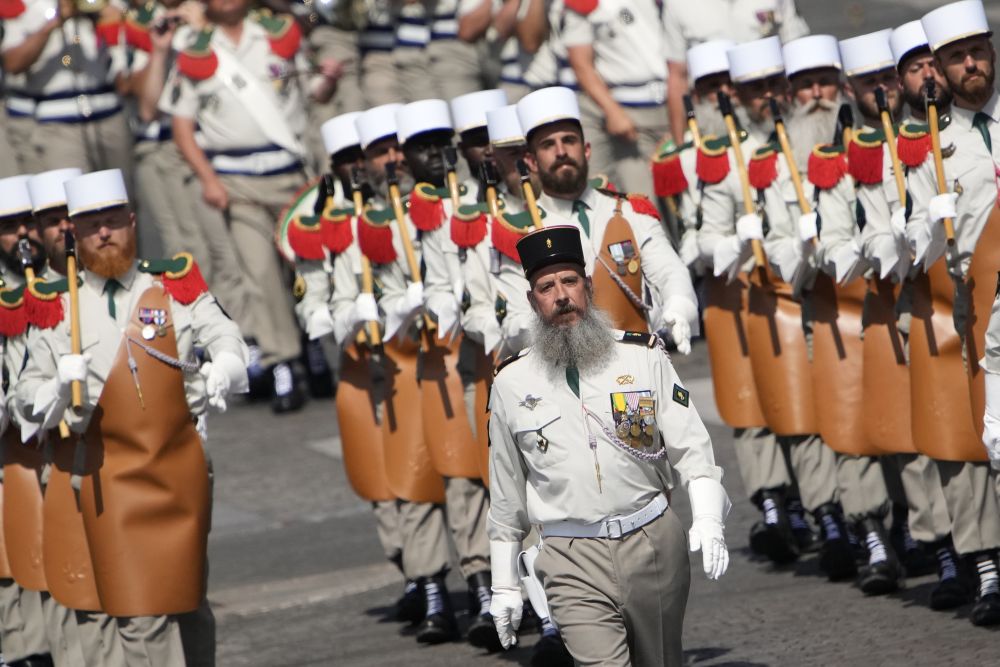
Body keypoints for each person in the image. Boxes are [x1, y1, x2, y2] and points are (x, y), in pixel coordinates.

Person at [17, 167, 249, 664]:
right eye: (91, 223)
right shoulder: (57, 306)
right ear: (73, 233)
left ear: (132, 221)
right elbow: (26, 396)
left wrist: (224, 367)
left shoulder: (171, 284)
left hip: (178, 466)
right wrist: (57, 386)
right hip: (107, 472)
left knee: (187, 602)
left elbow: (225, 334)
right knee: (141, 611)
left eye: (113, 220)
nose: (104, 232)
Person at [487, 223, 730, 667]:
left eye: (569, 281)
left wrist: (709, 519)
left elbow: (691, 446)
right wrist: (504, 585)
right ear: (532, 301)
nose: (561, 295)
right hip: (569, 556)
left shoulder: (642, 357)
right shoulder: (510, 383)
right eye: (546, 286)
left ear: (589, 287)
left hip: (651, 542)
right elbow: (505, 495)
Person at [160, 0, 317, 413]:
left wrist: (329, 80)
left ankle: (314, 343)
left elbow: (310, 91)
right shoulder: (195, 48)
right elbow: (181, 126)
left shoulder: (276, 33)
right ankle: (284, 364)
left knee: (305, 268)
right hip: (238, 181)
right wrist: (209, 180)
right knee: (260, 273)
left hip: (290, 175)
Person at [908, 0, 1000, 626]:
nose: (973, 65)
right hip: (987, 308)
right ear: (938, 70)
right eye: (958, 57)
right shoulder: (929, 151)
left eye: (980, 51)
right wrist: (927, 227)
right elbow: (911, 243)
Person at [495, 86, 697, 356]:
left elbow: (670, 271)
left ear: (587, 149)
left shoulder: (628, 210)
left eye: (569, 140)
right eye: (548, 145)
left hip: (638, 366)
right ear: (530, 161)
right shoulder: (520, 232)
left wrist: (678, 306)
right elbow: (516, 321)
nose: (561, 151)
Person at [0, 173, 53, 667]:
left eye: (29, 224)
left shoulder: (64, 284)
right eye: (9, 227)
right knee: (12, 561)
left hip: (61, 444)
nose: (22, 236)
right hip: (8, 446)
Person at [0, 0, 134, 181]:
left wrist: (105, 15)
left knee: (121, 199)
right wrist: (54, 23)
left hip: (109, 114)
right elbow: (12, 63)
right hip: (58, 121)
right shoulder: (27, 4)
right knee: (76, 199)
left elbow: (131, 29)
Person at [560, 1, 669, 196]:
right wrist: (612, 111)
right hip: (630, 114)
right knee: (645, 201)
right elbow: (581, 63)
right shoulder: (585, 4)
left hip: (673, 104)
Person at [663, 0, 810, 145]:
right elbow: (677, 76)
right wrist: (679, 145)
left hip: (766, 102)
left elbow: (796, 53)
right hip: (714, 107)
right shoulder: (677, 3)